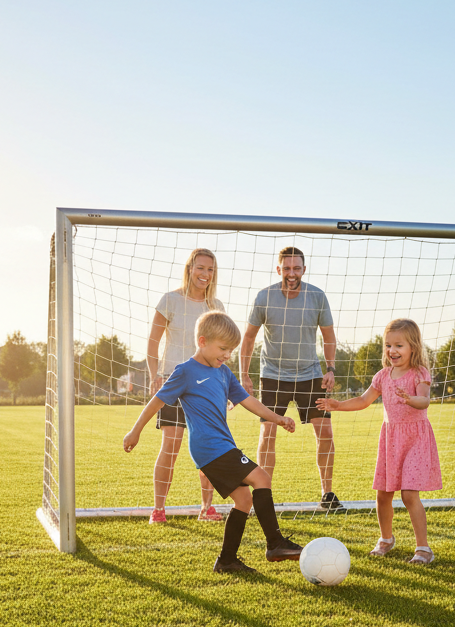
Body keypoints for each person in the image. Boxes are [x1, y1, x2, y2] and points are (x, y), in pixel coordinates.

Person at [124, 311, 305, 574]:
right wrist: (135, 431)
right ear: (202, 341)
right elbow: (158, 401)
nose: (227, 355)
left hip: (223, 445)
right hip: (209, 447)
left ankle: (227, 561)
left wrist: (277, 418)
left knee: (243, 499)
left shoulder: (223, 372)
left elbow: (248, 401)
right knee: (262, 478)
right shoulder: (185, 371)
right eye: (223, 348)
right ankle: (275, 543)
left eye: (231, 350)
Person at [317, 318, 441, 564]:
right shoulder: (383, 375)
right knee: (383, 494)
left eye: (399, 345)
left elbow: (425, 401)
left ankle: (423, 548)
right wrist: (337, 405)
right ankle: (386, 539)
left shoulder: (419, 373)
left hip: (416, 438)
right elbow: (363, 401)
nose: (392, 351)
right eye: (388, 345)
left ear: (413, 347)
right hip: (391, 439)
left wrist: (410, 399)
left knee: (408, 494)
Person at [238, 246, 343, 512]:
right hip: (273, 375)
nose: (291, 273)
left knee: (326, 432)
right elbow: (248, 337)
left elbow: (329, 337)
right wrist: (244, 374)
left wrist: (330, 368)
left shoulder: (317, 296)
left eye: (296, 268)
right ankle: (264, 497)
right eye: (287, 268)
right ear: (278, 270)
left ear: (304, 270)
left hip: (310, 374)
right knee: (268, 432)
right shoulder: (264, 297)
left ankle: (327, 494)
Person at [145, 248, 224, 524]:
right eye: (200, 268)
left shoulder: (215, 307)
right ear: (190, 268)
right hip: (174, 382)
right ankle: (158, 509)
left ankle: (207, 508)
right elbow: (153, 344)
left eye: (210, 270)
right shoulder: (170, 300)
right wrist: (156, 375)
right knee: (171, 446)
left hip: (206, 386)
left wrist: (222, 385)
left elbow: (221, 350)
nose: (205, 274)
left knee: (211, 447)